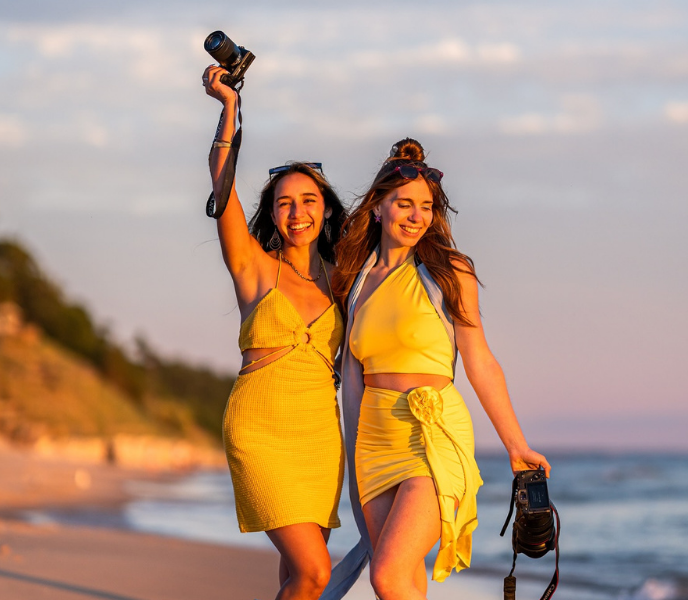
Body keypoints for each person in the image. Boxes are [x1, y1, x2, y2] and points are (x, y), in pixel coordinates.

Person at [329, 138, 551, 600]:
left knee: (387, 575)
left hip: (434, 433)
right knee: (405, 580)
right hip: (373, 439)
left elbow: (481, 361)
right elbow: (350, 379)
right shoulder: (354, 280)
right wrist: (346, 456)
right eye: (404, 204)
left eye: (425, 207)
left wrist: (516, 445)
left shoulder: (449, 271)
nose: (415, 217)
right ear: (377, 208)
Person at [202, 66, 347, 600]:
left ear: (325, 209)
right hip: (260, 429)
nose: (297, 211)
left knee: (295, 576)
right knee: (315, 573)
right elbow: (221, 180)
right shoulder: (254, 267)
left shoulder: (341, 282)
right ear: (272, 212)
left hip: (318, 436)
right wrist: (228, 109)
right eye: (284, 202)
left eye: (308, 200)